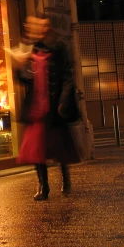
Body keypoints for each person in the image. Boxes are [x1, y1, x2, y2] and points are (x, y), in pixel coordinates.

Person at [17, 16, 80, 200]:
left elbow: (68, 76)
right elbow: (26, 79)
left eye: (42, 24)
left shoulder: (59, 48)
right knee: (36, 150)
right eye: (35, 25)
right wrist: (19, 68)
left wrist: (63, 101)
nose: (39, 28)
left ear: (48, 26)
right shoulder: (31, 48)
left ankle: (65, 178)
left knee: (58, 147)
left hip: (54, 106)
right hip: (36, 107)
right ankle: (43, 187)